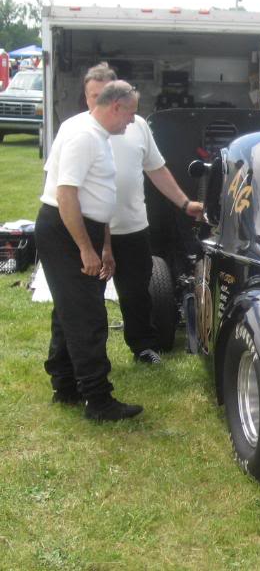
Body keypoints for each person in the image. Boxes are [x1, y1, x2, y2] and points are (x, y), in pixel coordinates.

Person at [35, 80, 143, 421]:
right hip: (68, 230)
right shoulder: (83, 135)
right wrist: (85, 248)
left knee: (70, 310)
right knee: (87, 316)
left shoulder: (94, 132)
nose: (131, 121)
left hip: (86, 227)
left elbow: (100, 193)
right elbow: (66, 194)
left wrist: (104, 245)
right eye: (130, 114)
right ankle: (97, 400)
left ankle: (65, 384)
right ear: (116, 107)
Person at [82, 63, 203, 364]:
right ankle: (86, 357)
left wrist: (185, 203)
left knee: (138, 293)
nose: (97, 101)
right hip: (94, 229)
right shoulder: (80, 131)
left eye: (102, 94)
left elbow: (157, 169)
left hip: (134, 227)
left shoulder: (137, 127)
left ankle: (143, 347)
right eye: (91, 95)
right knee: (87, 299)